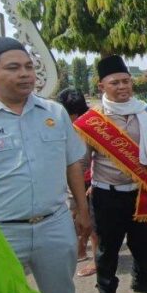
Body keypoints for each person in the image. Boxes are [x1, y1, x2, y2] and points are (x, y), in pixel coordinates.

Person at [0, 37, 91, 293]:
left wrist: (82, 210)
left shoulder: (54, 113)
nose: (25, 74)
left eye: (29, 66)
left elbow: (72, 163)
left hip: (54, 226)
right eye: (13, 67)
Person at [74, 55, 147, 293]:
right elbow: (82, 164)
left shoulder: (144, 111)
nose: (122, 87)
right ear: (101, 87)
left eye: (126, 81)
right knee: (108, 248)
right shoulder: (92, 121)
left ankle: (143, 279)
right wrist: (78, 200)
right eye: (115, 83)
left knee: (145, 240)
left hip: (143, 190)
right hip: (108, 195)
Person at [57, 87, 100, 277]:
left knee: (94, 223)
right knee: (73, 216)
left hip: (93, 181)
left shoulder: (93, 124)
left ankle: (96, 262)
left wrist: (94, 183)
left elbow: (99, 157)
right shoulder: (60, 123)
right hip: (72, 182)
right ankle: (80, 249)